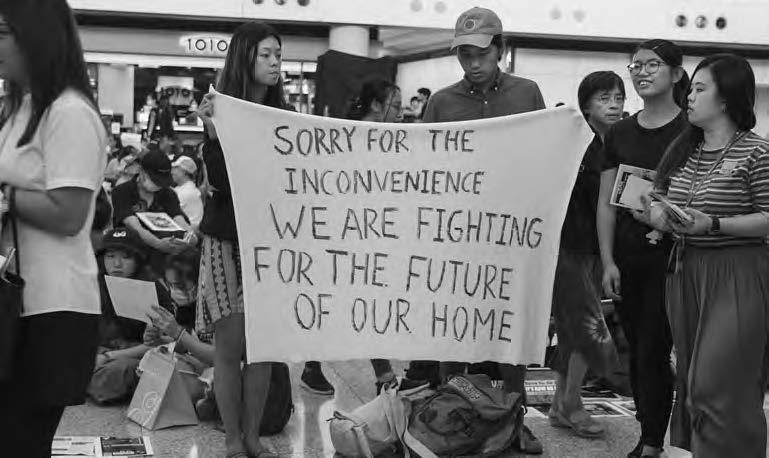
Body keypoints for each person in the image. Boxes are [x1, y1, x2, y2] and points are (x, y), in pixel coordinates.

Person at [404, 7, 546, 455]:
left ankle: (514, 422)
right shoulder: (441, 102)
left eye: (481, 53)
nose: (473, 62)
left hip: (512, 234)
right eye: (464, 54)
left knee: (512, 331)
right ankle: (451, 419)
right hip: (458, 236)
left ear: (500, 49)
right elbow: (425, 169)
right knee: (454, 331)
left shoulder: (527, 93)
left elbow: (545, 157)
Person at [641, 54, 769, 457]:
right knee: (693, 384)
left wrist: (714, 223)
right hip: (686, 270)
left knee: (717, 383)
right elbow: (663, 202)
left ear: (727, 98)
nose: (689, 97)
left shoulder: (757, 152)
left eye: (699, 89)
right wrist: (659, 216)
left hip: (737, 273)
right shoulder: (685, 150)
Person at [0, 1, 107, 456]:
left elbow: (69, 214)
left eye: (3, 32)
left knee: (20, 440)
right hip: (16, 302)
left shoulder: (69, 112)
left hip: (53, 309)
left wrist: (6, 196)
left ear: (36, 36)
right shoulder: (21, 108)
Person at [299, 77, 428, 398]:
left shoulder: (391, 140)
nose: (401, 113)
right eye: (395, 106)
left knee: (365, 302)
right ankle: (377, 374)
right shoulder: (350, 137)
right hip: (346, 234)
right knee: (353, 301)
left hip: (372, 233)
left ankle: (326, 368)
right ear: (376, 105)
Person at [195, 21, 286, 458]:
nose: (275, 63)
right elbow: (222, 183)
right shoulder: (220, 111)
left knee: (263, 348)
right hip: (228, 240)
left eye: (278, 55)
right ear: (244, 57)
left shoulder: (285, 116)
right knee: (230, 348)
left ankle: (252, 435)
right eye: (265, 54)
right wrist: (215, 134)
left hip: (271, 240)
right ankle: (233, 438)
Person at [596, 39, 689, 458]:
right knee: (639, 348)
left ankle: (656, 439)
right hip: (630, 256)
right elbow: (606, 202)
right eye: (636, 65)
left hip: (679, 255)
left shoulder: (691, 129)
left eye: (653, 64)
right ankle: (649, 431)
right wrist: (608, 260)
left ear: (676, 73)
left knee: (660, 346)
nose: (642, 72)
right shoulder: (620, 132)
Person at [548, 71, 624, 438]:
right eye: (604, 98)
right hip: (569, 247)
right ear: (586, 105)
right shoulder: (575, 142)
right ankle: (572, 402)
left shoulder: (618, 144)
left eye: (618, 98)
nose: (613, 105)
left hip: (596, 248)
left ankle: (560, 404)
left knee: (572, 328)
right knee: (587, 326)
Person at [88, 229, 174, 404]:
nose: (117, 264)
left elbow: (160, 344)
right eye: (110, 256)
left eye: (126, 258)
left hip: (133, 355)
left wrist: (108, 357)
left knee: (124, 370)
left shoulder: (153, 289)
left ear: (138, 260)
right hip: (99, 350)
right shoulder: (94, 284)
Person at [111, 149, 197, 274]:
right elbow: (134, 226)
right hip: (130, 256)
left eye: (162, 182)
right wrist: (158, 243)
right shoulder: (122, 192)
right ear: (142, 172)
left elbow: (179, 219)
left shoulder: (168, 194)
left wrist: (189, 238)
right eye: (155, 180)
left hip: (162, 259)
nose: (158, 185)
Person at [172, 155, 204, 229]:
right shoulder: (182, 188)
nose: (172, 171)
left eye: (175, 168)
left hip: (189, 231)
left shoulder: (187, 191)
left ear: (184, 172)